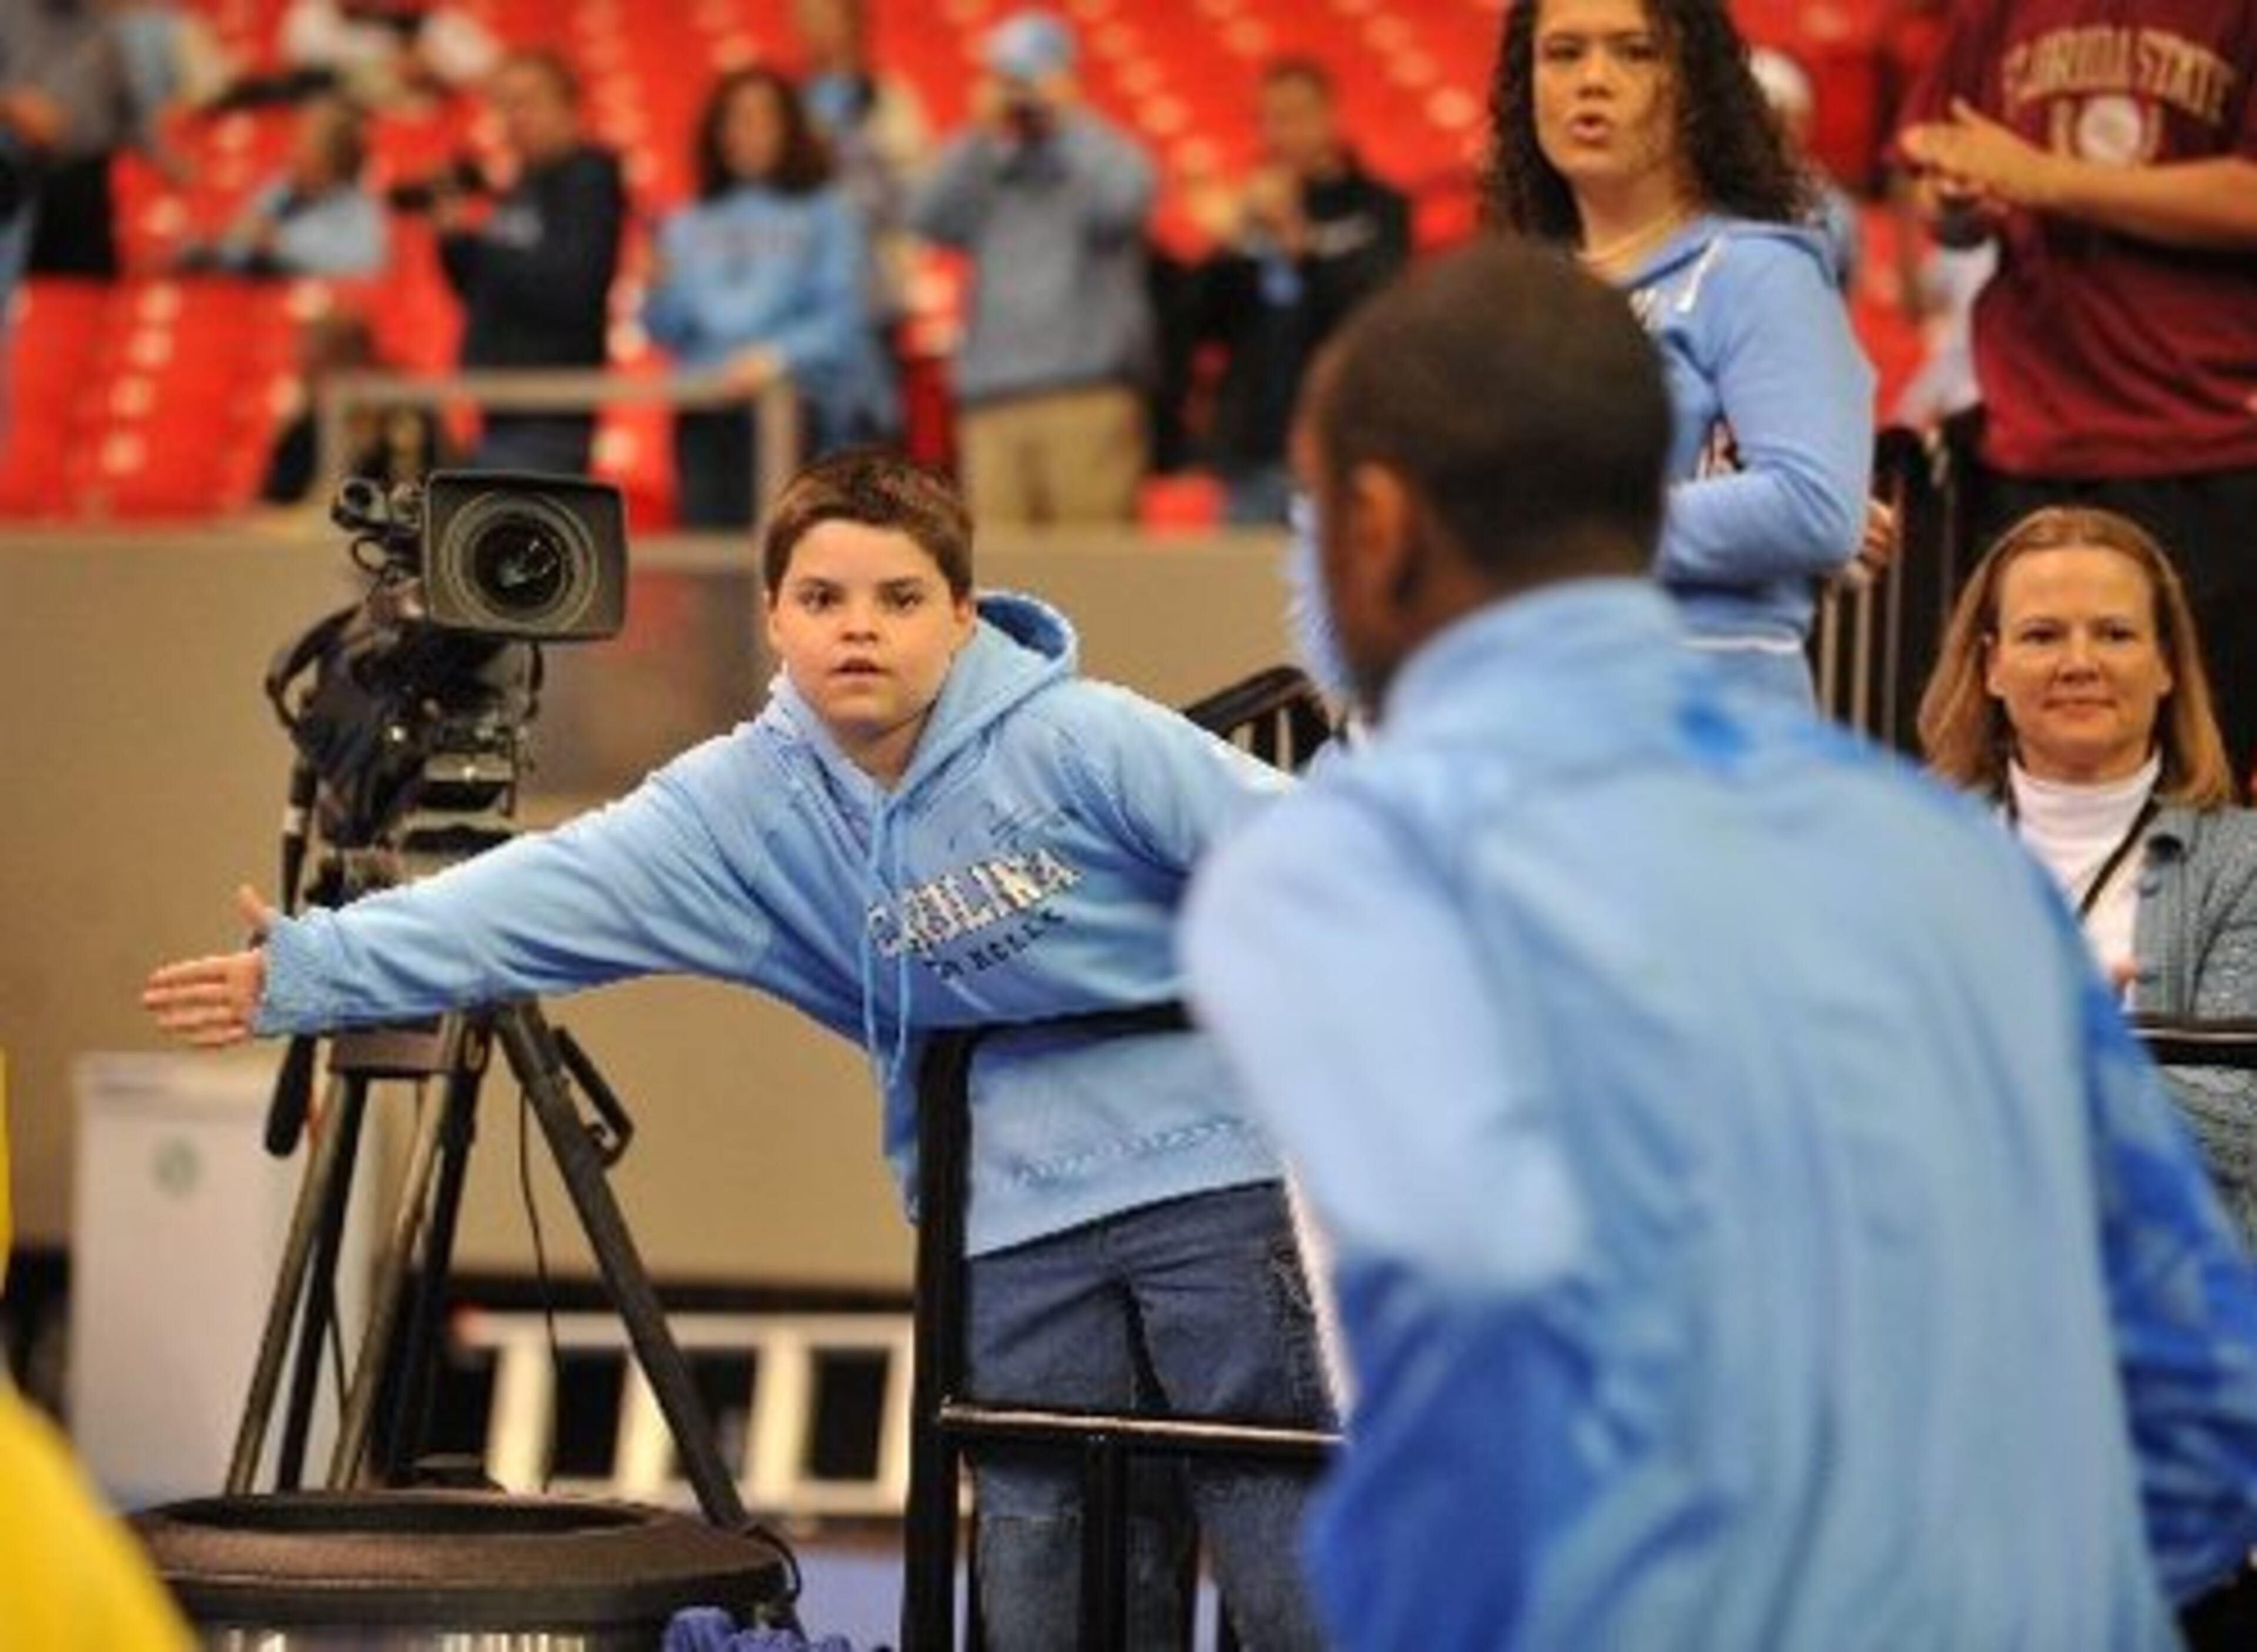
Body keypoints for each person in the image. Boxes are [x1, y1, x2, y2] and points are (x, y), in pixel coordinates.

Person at [1180, 233, 2257, 1650]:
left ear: (1372, 523)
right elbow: (2200, 1407)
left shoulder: (1347, 867)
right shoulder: (1943, 854)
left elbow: (1473, 1446)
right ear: (1656, 501)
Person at [142, 449, 1332, 1651]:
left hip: (1221, 1181)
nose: (858, 629)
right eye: (822, 599)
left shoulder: (1084, 737)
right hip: (1005, 1216)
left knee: (1282, 1519)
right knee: (1043, 1547)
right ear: (772, 616)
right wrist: (306, 969)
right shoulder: (741, 804)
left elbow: (1332, 861)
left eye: (900, 598)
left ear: (964, 615)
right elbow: (540, 893)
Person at [1894, 2, 2257, 786]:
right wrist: (1961, 197)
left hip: (2205, 442)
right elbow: (1937, 176)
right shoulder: (2001, 10)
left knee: (2196, 784)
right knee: (2009, 775)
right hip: (2026, 441)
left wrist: (2046, 178)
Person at [1486, 0, 1878, 708]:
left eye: (1635, 52)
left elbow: (1815, 506)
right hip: (1533, 707)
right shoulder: (1516, 292)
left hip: (1706, 720)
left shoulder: (1757, 270)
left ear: (1695, 82)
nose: (1593, 80)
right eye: (1564, 53)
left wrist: (1571, 534)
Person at [1918, 504, 2257, 1247]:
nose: (2080, 662)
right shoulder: (1911, 854)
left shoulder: (2244, 867)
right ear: (1991, 665)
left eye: (2115, 633)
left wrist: (2077, 1049)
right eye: (2042, 635)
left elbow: (2241, 1124)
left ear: (2167, 663)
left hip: (2171, 1311)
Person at [907, 8, 1157, 527]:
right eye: (1010, 80)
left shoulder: (1097, 158)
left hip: (1085, 398)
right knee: (1002, 586)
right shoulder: (988, 170)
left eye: (1032, 79)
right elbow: (923, 216)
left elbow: (1128, 197)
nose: (1022, 96)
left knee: (1095, 576)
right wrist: (978, 135)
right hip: (993, 402)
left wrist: (1067, 120)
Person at [642, 67, 896, 529]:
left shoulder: (827, 212)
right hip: (706, 413)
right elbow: (666, 328)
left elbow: (842, 320)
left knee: (792, 566)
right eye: (734, 120)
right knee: (709, 571)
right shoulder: (686, 222)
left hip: (798, 412)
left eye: (761, 119)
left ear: (789, 129)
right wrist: (655, 287)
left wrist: (776, 356)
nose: (746, 133)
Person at [1182, 56, 1411, 526]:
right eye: (1273, 119)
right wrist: (1230, 244)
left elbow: (1376, 311)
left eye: (1298, 115)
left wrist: (1298, 244)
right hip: (1255, 450)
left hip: (1343, 444)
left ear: (1330, 116)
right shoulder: (1250, 211)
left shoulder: (1378, 208)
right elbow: (1201, 326)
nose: (1286, 132)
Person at [435, 49, 624, 475]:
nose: (515, 118)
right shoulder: (522, 186)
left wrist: (482, 245)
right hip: (502, 407)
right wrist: (455, 242)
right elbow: (483, 291)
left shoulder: (588, 177)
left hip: (551, 407)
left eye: (529, 101)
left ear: (569, 107)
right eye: (506, 104)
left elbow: (572, 285)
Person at [172, 95, 386, 278]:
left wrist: (279, 244)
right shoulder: (280, 190)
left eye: (306, 148)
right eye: (297, 143)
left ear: (332, 163)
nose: (292, 153)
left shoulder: (359, 212)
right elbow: (235, 243)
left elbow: (363, 263)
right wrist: (211, 246)